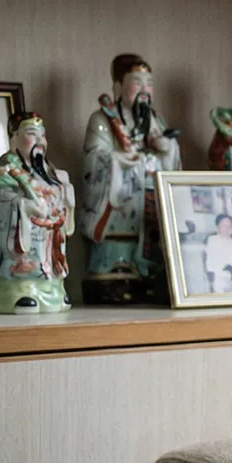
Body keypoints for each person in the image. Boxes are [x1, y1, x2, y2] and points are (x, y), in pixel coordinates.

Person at [81, 54, 182, 295]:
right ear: (118, 87)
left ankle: (152, 273)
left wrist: (167, 150)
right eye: (137, 82)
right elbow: (94, 159)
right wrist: (121, 160)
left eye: (149, 83)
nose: (145, 90)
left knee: (153, 242)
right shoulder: (102, 120)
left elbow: (170, 161)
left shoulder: (155, 120)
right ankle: (115, 270)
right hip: (120, 202)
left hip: (149, 201)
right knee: (119, 250)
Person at [0, 112, 75, 313]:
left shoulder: (49, 172)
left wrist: (66, 191)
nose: (40, 141)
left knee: (50, 262)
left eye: (42, 135)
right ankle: (18, 293)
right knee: (24, 266)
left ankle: (54, 291)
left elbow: (61, 200)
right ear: (14, 137)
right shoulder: (7, 170)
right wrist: (24, 206)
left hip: (50, 239)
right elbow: (3, 198)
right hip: (24, 240)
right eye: (32, 134)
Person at [202, 213, 232, 293]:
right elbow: (211, 264)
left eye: (230, 226)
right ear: (217, 228)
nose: (227, 229)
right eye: (224, 226)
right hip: (217, 277)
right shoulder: (212, 240)